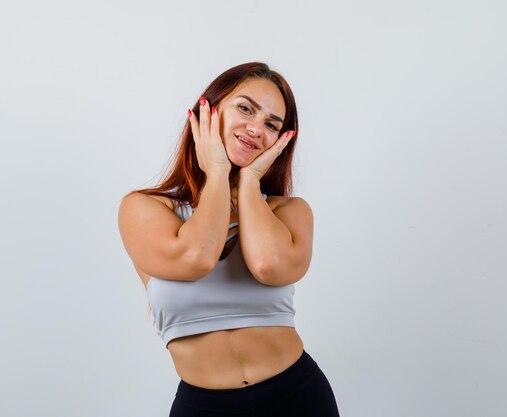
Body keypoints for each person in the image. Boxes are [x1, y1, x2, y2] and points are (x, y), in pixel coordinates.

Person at [117, 62, 341, 417]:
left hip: (297, 397)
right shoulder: (144, 208)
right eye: (246, 108)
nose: (256, 128)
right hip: (203, 407)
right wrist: (218, 173)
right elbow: (196, 257)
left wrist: (250, 180)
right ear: (211, 110)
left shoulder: (289, 212)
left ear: (281, 141)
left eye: (271, 125)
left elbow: (268, 265)